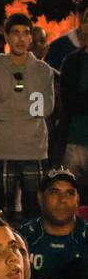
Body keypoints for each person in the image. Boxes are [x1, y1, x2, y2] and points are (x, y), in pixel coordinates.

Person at [0, 13, 56, 223]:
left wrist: (8, 104)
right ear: (6, 36)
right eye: (15, 33)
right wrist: (28, 107)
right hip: (1, 150)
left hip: (34, 148)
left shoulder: (43, 70)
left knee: (36, 215)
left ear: (31, 37)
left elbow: (45, 108)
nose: (21, 38)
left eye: (26, 33)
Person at [18, 168, 88, 279]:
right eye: (54, 192)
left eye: (70, 193)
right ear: (40, 197)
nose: (62, 200)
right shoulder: (22, 237)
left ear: (78, 199)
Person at [57, 34, 88, 187]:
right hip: (75, 140)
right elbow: (68, 100)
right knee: (70, 192)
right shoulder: (72, 61)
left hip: (75, 139)